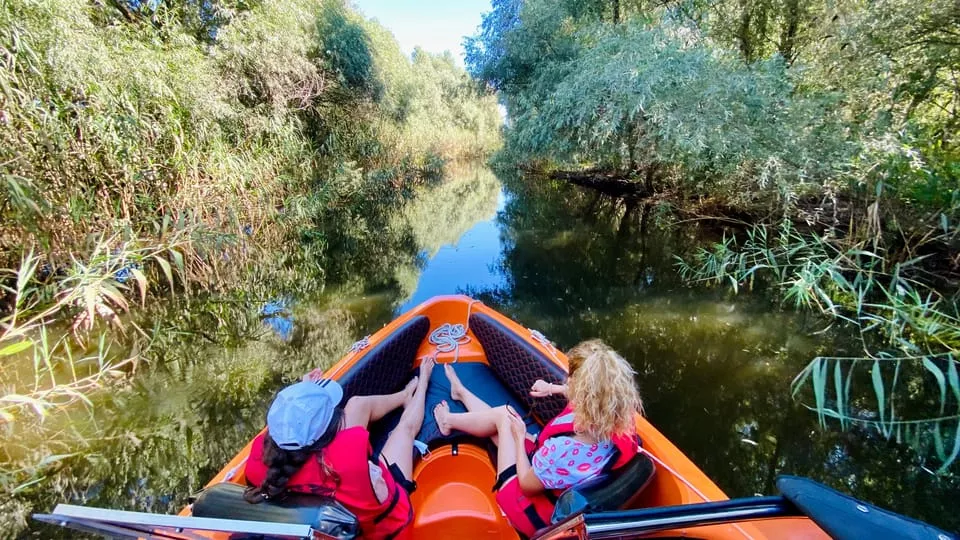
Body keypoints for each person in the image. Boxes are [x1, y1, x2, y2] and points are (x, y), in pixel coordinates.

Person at [433, 340, 642, 538]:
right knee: (503, 419)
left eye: (573, 381)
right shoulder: (616, 422)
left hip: (524, 503)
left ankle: (447, 420)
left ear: (583, 397)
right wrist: (551, 388)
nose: (568, 381)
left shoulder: (560, 451)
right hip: (556, 473)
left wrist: (519, 437)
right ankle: (461, 393)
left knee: (504, 417)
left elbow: (526, 484)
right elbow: (594, 394)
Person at [244, 358, 435, 540]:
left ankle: (403, 396)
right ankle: (422, 383)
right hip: (388, 528)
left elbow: (294, 432)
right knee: (405, 429)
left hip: (341, 522)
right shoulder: (352, 449)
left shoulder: (257, 463)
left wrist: (304, 394)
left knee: (357, 404)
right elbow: (382, 490)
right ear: (326, 434)